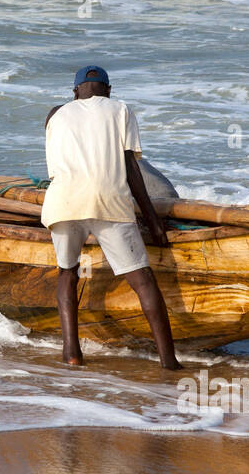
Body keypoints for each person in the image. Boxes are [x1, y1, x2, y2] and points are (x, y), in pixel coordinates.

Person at [43, 65, 180, 369]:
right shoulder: (120, 109)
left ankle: (72, 353)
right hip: (109, 202)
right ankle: (169, 362)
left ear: (75, 91)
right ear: (108, 89)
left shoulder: (56, 114)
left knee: (67, 274)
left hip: (62, 202)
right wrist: (154, 222)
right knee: (142, 280)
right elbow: (131, 168)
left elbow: (56, 164)